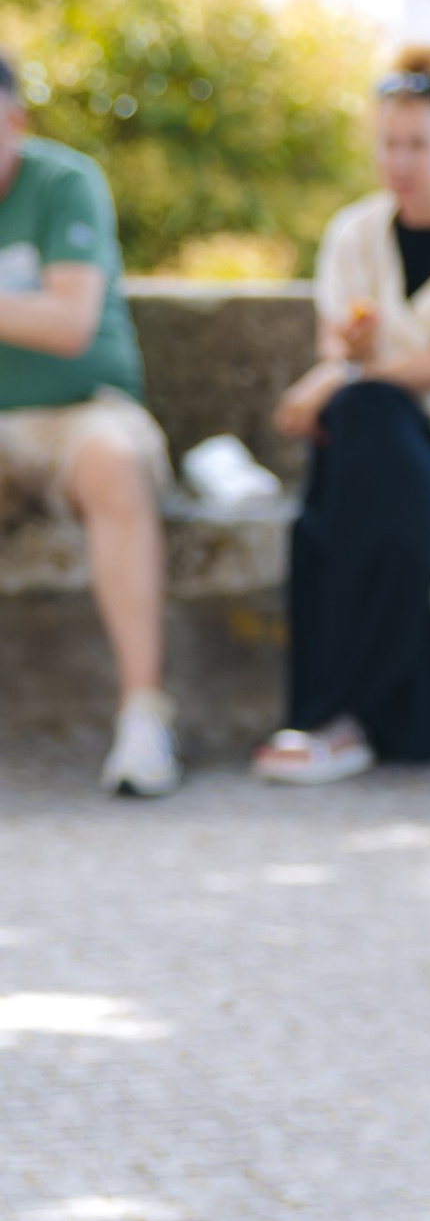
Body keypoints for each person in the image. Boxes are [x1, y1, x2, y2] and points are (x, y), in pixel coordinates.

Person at [255, 48, 430, 783]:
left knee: (358, 437)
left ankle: (335, 721)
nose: (402, 160)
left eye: (418, 144)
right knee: (368, 422)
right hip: (386, 430)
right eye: (390, 143)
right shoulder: (355, 235)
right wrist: (348, 361)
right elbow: (340, 346)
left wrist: (343, 375)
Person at [0, 51, 181, 797]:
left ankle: (144, 714)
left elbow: (70, 322)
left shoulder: (64, 183)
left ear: (15, 120)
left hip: (85, 414)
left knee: (113, 463)